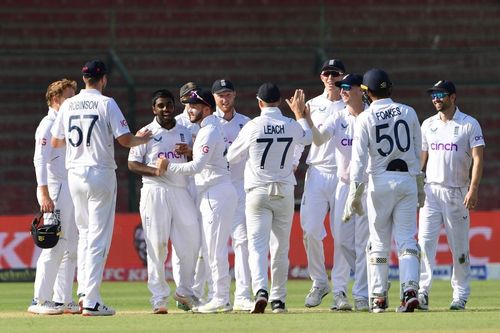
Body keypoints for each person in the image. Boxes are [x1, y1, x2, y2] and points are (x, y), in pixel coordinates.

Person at [51, 60, 152, 316]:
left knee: (85, 235)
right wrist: (145, 138)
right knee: (98, 237)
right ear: (103, 79)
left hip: (75, 175)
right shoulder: (107, 103)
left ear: (84, 79)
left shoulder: (68, 104)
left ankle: (84, 292)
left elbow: (56, 140)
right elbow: (125, 140)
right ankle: (92, 300)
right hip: (100, 172)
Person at [227, 84, 312, 314]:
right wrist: (299, 114)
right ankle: (278, 300)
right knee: (280, 248)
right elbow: (308, 138)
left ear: (259, 102)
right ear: (279, 101)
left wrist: (249, 152)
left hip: (258, 191)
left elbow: (232, 156)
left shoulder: (253, 126)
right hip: (284, 191)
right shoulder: (291, 124)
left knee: (257, 247)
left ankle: (261, 291)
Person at [345, 68, 422, 313]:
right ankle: (410, 290)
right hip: (407, 180)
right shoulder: (409, 111)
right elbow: (418, 150)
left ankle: (378, 297)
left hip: (379, 182)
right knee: (408, 240)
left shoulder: (364, 118)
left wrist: (354, 192)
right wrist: (418, 185)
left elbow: (357, 161)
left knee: (378, 242)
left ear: (367, 92)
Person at [160, 88, 237, 313]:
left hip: (216, 192)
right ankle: (219, 297)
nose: (189, 109)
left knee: (214, 250)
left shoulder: (210, 130)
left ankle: (220, 297)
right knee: (211, 248)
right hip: (214, 191)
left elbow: (196, 167)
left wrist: (168, 166)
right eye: (188, 105)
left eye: (194, 106)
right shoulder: (209, 128)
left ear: (206, 108)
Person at [127, 89, 201, 314]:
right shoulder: (146, 132)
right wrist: (154, 171)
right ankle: (159, 298)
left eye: (169, 105)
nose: (166, 109)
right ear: (154, 109)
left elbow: (196, 160)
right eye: (161, 106)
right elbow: (132, 163)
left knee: (191, 243)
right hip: (155, 191)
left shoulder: (184, 132)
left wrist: (188, 152)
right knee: (157, 246)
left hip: (180, 190)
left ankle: (185, 291)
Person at [304, 74, 370, 311]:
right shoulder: (338, 116)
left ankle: (361, 294)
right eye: (340, 87)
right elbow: (320, 139)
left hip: (366, 186)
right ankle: (370, 279)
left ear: (360, 91)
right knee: (342, 241)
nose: (341, 90)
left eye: (346, 87)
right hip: (344, 185)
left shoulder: (371, 116)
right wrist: (306, 120)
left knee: (363, 242)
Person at [417, 80, 485, 311]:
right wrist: (416, 187)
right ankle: (422, 292)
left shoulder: (469, 124)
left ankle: (460, 295)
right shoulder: (427, 124)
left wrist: (473, 189)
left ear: (453, 97)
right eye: (433, 94)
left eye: (440, 94)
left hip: (457, 192)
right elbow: (421, 160)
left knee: (459, 247)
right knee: (425, 243)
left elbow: (478, 158)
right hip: (430, 192)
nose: (435, 98)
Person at [294, 59, 348, 309]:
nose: (330, 77)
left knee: (341, 234)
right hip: (316, 173)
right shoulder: (312, 105)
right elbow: (300, 137)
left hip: (343, 175)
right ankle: (319, 282)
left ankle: (340, 289)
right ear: (321, 77)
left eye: (335, 74)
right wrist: (294, 163)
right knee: (311, 229)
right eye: (326, 73)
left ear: (343, 76)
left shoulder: (354, 105)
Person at [29, 79, 80, 315]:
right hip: (56, 188)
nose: (73, 101)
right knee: (54, 244)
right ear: (55, 99)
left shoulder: (65, 124)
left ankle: (63, 299)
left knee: (71, 246)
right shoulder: (48, 124)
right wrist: (43, 191)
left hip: (70, 187)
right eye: (69, 97)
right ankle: (40, 300)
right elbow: (40, 159)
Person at [212, 79, 253, 311]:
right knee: (213, 243)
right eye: (220, 95)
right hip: (216, 187)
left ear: (235, 95)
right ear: (214, 97)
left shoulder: (246, 123)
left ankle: (243, 294)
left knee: (242, 241)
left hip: (239, 187)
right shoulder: (208, 123)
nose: (224, 99)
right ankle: (216, 294)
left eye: (228, 94)